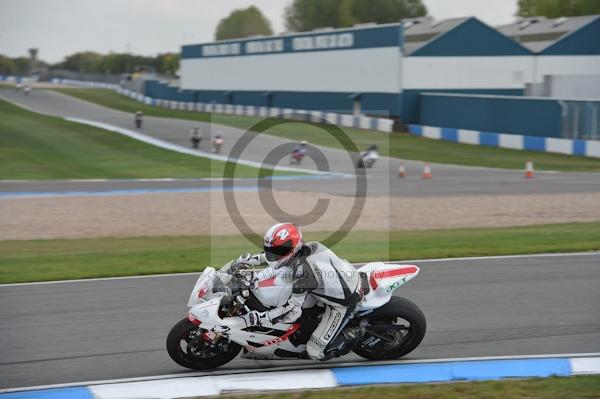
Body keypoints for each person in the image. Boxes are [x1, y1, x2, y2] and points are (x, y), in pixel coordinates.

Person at [233, 223, 365, 361]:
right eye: (272, 250)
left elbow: (292, 311)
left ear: (293, 249)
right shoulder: (306, 248)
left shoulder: (304, 274)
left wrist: (260, 318)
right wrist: (246, 260)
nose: (274, 255)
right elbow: (271, 257)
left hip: (345, 301)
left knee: (315, 351)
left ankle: (357, 332)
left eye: (280, 251)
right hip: (336, 280)